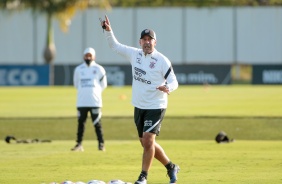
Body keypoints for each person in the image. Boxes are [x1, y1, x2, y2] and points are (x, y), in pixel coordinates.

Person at [101, 15, 180, 184]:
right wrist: (108, 31)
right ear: (140, 42)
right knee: (146, 143)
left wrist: (168, 88)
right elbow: (115, 46)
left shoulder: (161, 60)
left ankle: (143, 176)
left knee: (149, 140)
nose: (147, 42)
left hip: (156, 105)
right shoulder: (134, 54)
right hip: (138, 105)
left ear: (155, 42)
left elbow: (174, 81)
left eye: (150, 39)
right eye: (144, 39)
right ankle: (171, 166)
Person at [71, 47, 107, 152]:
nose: (88, 57)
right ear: (83, 56)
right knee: (81, 123)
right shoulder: (78, 69)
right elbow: (76, 84)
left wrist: (94, 92)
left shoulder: (99, 69)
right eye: (86, 55)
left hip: (95, 101)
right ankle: (79, 145)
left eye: (90, 55)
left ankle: (101, 144)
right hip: (82, 101)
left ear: (94, 56)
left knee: (97, 124)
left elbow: (103, 85)